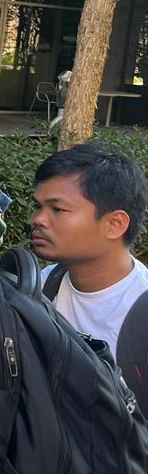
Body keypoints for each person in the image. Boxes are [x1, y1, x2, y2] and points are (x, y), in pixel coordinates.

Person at [30, 143, 148, 409]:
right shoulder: (40, 286)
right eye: (37, 207)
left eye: (57, 209)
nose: (38, 219)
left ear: (114, 224)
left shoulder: (141, 312)